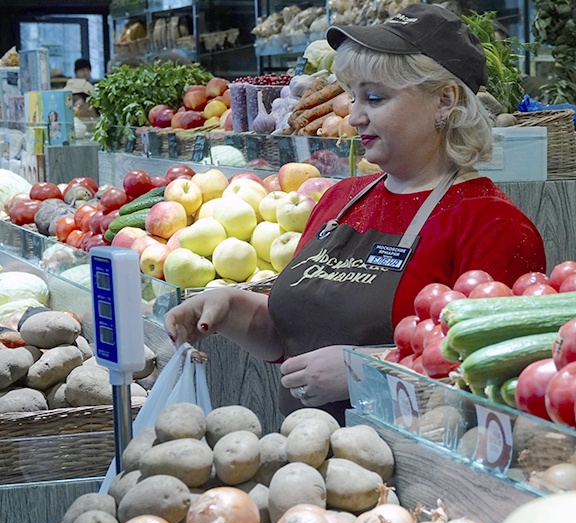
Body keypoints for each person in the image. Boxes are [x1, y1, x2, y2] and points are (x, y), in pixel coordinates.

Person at [165, 3, 547, 421]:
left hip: (408, 454)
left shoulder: (493, 226)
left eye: (375, 98)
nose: (355, 116)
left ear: (445, 100)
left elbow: (494, 383)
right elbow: (296, 335)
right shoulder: (341, 199)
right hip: (305, 452)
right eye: (354, 97)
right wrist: (231, 309)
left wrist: (370, 369)